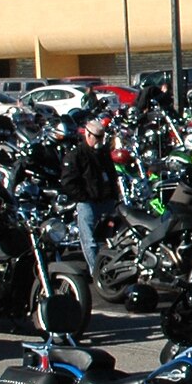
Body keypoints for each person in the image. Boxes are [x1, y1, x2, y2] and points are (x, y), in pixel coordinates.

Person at [63, 117, 120, 287]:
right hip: (88, 203)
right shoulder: (76, 155)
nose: (100, 141)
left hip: (107, 201)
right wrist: (84, 197)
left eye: (102, 137)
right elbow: (68, 181)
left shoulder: (103, 154)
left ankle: (113, 270)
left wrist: (114, 195)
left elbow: (111, 175)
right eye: (96, 137)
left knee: (113, 239)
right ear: (87, 135)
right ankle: (96, 273)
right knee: (90, 241)